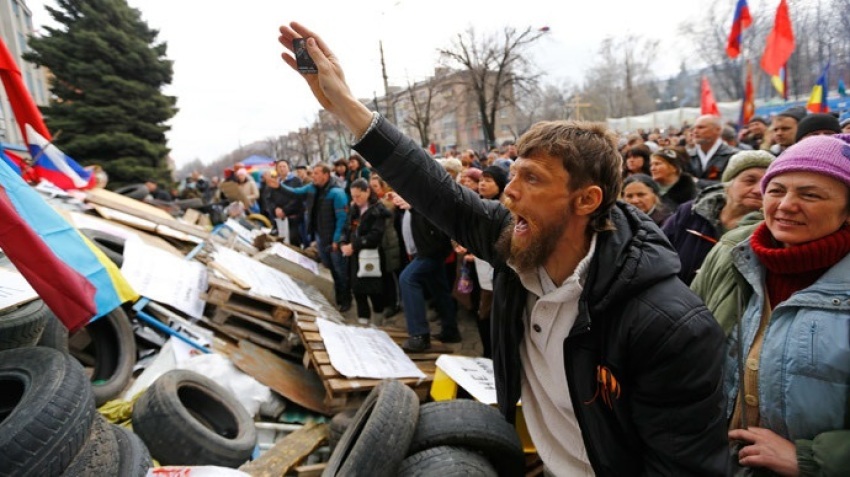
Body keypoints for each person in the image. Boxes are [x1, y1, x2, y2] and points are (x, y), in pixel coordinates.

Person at [278, 22, 727, 475]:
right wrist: (347, 108)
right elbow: (435, 190)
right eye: (513, 174)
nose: (509, 193)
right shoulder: (516, 247)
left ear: (586, 200)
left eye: (532, 179)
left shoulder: (669, 327)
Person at [691, 134, 850, 475]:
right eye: (776, 190)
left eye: (810, 194)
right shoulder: (732, 255)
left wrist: (811, 459)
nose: (785, 205)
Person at [662, 150, 773, 285]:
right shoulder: (690, 213)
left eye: (766, 184)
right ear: (728, 184)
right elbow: (660, 252)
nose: (758, 190)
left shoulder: (770, 230)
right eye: (750, 180)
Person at [281, 162, 351, 311]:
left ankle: (346, 300)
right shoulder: (313, 188)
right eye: (312, 173)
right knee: (329, 269)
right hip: (320, 237)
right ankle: (338, 297)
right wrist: (278, 186)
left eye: (316, 173)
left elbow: (342, 219)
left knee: (340, 271)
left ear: (326, 175)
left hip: (334, 240)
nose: (313, 176)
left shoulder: (337, 193)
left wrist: (336, 240)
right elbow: (296, 192)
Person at [340, 178, 389, 326]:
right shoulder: (354, 208)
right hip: (354, 256)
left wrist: (354, 245)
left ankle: (378, 321)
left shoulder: (377, 210)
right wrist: (343, 242)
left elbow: (375, 235)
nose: (356, 199)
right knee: (358, 290)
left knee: (374, 290)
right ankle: (363, 321)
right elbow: (346, 227)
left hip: (372, 256)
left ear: (367, 191)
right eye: (353, 196)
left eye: (358, 196)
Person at [688, 115, 739, 187]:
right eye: (694, 128)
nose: (695, 131)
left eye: (701, 127)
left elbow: (733, 185)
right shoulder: (687, 156)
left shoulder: (734, 155)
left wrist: (698, 182)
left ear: (718, 130)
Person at [274, 159, 305, 246]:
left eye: (284, 166)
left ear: (288, 168)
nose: (282, 169)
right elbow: (271, 198)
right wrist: (276, 208)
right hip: (280, 218)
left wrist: (284, 211)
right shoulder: (277, 182)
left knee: (294, 241)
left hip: (293, 217)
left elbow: (297, 198)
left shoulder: (296, 180)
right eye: (279, 167)